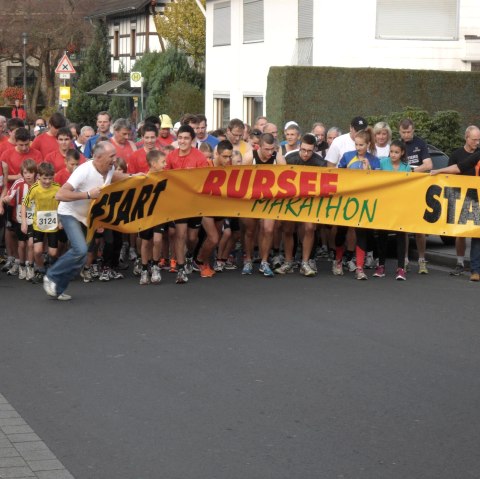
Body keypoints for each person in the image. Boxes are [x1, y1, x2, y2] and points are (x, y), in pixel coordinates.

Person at [42, 141, 128, 300]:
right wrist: (88, 195)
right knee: (81, 250)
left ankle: (57, 288)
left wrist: (134, 177)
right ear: (98, 157)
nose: (115, 159)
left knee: (82, 256)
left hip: (87, 218)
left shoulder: (109, 169)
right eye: (112, 156)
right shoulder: (83, 171)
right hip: (69, 214)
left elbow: (114, 176)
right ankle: (51, 276)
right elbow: (60, 195)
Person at [277, 134, 327, 276]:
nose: (305, 154)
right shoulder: (290, 158)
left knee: (310, 227)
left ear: (314, 149)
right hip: (291, 200)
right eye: (303, 150)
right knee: (287, 228)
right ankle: (288, 262)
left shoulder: (320, 163)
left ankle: (305, 262)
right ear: (300, 146)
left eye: (309, 151)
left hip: (310, 201)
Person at [164, 124, 209, 284]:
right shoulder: (171, 156)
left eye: (186, 138)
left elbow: (205, 179)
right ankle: (181, 269)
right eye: (180, 138)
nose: (182, 141)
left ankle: (190, 255)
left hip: (195, 204)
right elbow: (165, 177)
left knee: (191, 238)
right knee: (180, 234)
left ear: (192, 140)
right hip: (178, 203)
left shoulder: (199, 157)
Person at [430, 137, 480, 282]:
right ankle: (475, 270)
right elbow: (459, 167)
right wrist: (438, 171)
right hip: (475, 200)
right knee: (477, 235)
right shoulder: (478, 155)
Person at [334, 127, 380, 280]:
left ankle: (359, 268)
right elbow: (338, 176)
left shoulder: (374, 160)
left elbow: (378, 182)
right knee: (342, 230)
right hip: (346, 199)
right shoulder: (347, 156)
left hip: (363, 201)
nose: (358, 148)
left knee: (362, 233)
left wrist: (369, 170)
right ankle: (338, 262)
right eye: (356, 145)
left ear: (368, 145)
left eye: (361, 145)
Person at [241, 133, 285, 277]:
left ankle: (264, 261)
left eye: (272, 148)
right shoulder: (249, 157)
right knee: (250, 230)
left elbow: (287, 176)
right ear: (259, 146)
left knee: (268, 229)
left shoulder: (277, 157)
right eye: (266, 149)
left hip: (269, 199)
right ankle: (248, 259)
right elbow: (239, 178)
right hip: (251, 199)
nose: (269, 152)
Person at [194, 140, 234, 278]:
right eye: (225, 156)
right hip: (206, 207)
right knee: (214, 238)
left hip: (220, 207)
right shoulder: (206, 165)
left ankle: (205, 264)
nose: (228, 159)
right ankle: (199, 260)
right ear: (217, 154)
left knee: (214, 238)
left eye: (230, 156)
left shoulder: (230, 167)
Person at [398, 118, 433, 274]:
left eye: (409, 132)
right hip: (403, 190)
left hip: (418, 189)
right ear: (399, 131)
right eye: (404, 132)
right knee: (403, 228)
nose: (406, 135)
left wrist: (410, 172)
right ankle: (404, 260)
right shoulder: (397, 145)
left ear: (414, 130)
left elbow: (428, 165)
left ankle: (421, 260)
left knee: (419, 228)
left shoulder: (420, 143)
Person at [445, 125, 480, 276]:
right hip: (460, 197)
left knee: (476, 233)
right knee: (460, 233)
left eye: (479, 140)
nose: (477, 142)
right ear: (466, 138)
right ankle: (460, 262)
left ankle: (475, 266)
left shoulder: (479, 153)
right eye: (474, 139)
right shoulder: (456, 154)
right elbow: (449, 176)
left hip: (477, 199)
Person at [375, 140, 411, 280]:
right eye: (391, 152)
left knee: (400, 236)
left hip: (400, 206)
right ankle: (381, 266)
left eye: (396, 152)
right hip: (384, 205)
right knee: (382, 236)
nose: (393, 155)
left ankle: (401, 268)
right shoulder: (382, 163)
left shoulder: (406, 167)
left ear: (402, 153)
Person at [21, 162, 60, 284]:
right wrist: (23, 222)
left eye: (50, 178)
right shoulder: (34, 188)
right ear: (38, 177)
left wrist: (61, 220)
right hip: (38, 223)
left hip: (53, 224)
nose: (47, 181)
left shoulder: (58, 187)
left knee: (53, 252)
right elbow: (24, 205)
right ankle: (40, 270)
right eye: (44, 178)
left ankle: (51, 268)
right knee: (37, 250)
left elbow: (64, 204)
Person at [2, 159, 37, 280]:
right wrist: (6, 199)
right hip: (19, 218)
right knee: (22, 244)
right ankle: (22, 264)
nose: (28, 175)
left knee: (31, 243)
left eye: (31, 172)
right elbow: (10, 195)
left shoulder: (38, 184)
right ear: (22, 173)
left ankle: (30, 266)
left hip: (34, 218)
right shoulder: (18, 183)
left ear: (35, 173)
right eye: (26, 172)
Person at [138, 150, 167, 285]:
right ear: (154, 164)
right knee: (145, 242)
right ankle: (144, 268)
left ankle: (155, 266)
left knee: (157, 240)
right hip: (145, 215)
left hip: (159, 214)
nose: (165, 164)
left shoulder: (166, 177)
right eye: (163, 162)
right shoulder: (143, 178)